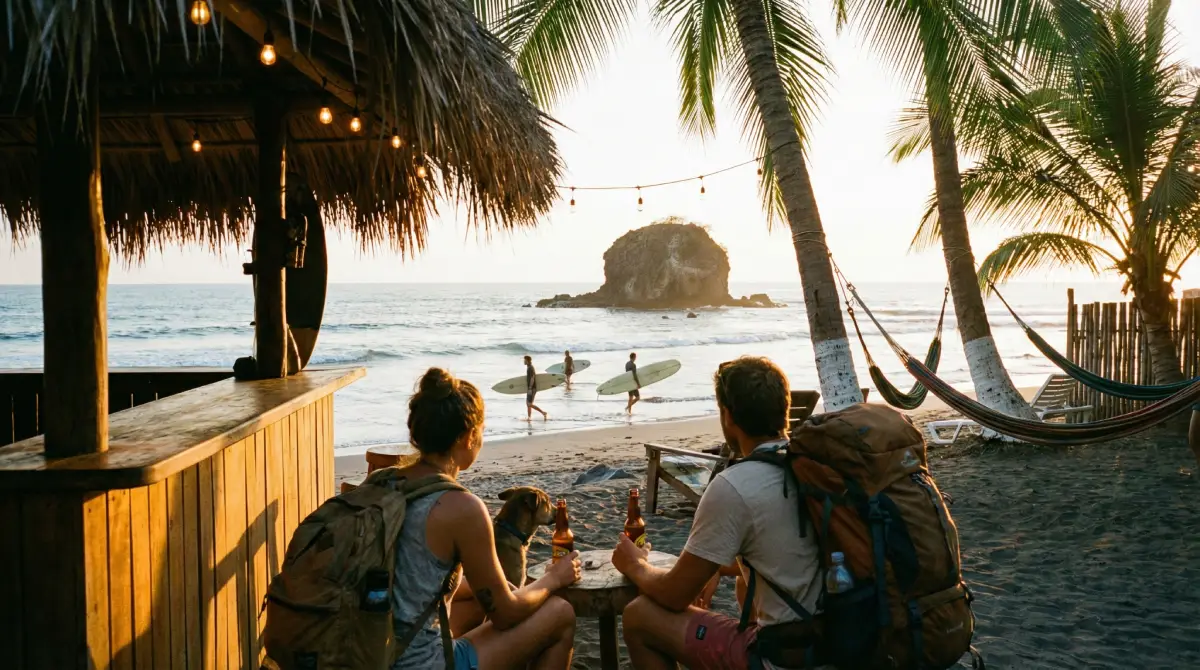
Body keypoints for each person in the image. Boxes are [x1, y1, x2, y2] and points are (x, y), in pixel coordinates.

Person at [611, 356, 823, 670]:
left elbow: (673, 595)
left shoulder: (733, 486)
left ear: (727, 416)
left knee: (639, 616)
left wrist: (636, 565)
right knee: (741, 585)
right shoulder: (817, 465)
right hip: (844, 640)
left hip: (784, 658)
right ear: (785, 409)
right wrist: (718, 568)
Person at [390, 368, 581, 670]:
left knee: (474, 601)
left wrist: (493, 587)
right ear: (468, 437)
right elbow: (506, 615)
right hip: (418, 664)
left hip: (368, 650)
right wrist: (553, 579)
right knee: (560, 613)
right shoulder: (461, 507)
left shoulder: (383, 483)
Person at [524, 355, 548, 421]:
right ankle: (529, 418)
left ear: (527, 360)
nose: (524, 361)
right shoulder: (529, 367)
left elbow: (532, 378)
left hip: (532, 388)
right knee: (528, 404)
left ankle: (543, 413)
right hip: (531, 388)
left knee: (529, 404)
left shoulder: (530, 368)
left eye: (525, 360)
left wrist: (530, 388)